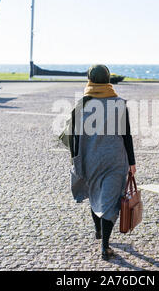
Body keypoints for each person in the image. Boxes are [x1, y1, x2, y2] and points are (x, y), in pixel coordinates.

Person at [67, 64, 136, 261]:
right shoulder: (119, 103)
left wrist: (75, 160)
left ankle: (98, 231)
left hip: (90, 159)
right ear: (108, 80)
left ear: (90, 79)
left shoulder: (82, 104)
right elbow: (126, 135)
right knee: (110, 199)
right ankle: (105, 246)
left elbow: (75, 138)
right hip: (115, 159)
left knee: (94, 191)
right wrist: (132, 162)